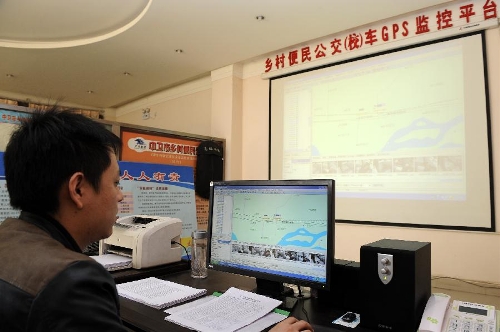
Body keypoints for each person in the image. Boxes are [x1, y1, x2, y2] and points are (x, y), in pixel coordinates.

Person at [0, 108, 314, 332]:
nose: (121, 196)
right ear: (78, 189)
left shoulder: (7, 239)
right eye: (116, 183)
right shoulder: (72, 283)